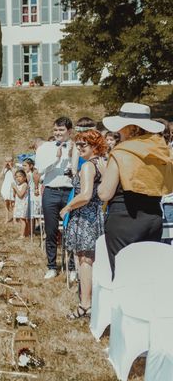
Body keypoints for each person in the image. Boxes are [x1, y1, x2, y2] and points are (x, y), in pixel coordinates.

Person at [98, 103, 173, 277]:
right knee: (146, 274)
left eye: (121, 127)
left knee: (123, 274)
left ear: (131, 129)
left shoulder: (121, 152)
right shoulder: (159, 151)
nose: (118, 132)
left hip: (125, 218)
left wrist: (104, 175)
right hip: (153, 218)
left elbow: (105, 193)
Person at [60, 129, 107, 319]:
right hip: (98, 214)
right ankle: (94, 302)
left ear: (95, 146)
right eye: (77, 144)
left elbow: (86, 195)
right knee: (94, 260)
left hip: (85, 217)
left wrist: (68, 207)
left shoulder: (88, 166)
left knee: (85, 260)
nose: (79, 148)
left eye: (83, 145)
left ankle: (85, 305)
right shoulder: (103, 163)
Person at [35, 116, 74, 279]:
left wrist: (72, 156)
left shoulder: (75, 146)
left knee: (71, 230)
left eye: (61, 130)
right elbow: (40, 170)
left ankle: (72, 266)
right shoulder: (45, 148)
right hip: (50, 191)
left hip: (70, 192)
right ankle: (52, 266)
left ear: (69, 131)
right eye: (55, 130)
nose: (58, 133)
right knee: (51, 231)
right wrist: (56, 159)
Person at [12, 169, 30, 238]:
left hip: (23, 204)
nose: (18, 178)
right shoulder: (18, 185)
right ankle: (26, 233)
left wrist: (15, 187)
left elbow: (21, 195)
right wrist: (14, 189)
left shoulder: (25, 185)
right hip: (18, 204)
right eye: (16, 177)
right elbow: (15, 195)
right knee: (21, 219)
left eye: (20, 176)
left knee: (23, 219)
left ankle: (22, 235)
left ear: (24, 178)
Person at [0, 156, 15, 223]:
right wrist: (3, 167)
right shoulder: (5, 169)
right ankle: (7, 218)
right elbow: (0, 176)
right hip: (6, 186)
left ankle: (14, 218)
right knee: (6, 203)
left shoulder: (14, 168)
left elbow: (15, 175)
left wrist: (11, 167)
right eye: (6, 161)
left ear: (12, 162)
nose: (8, 163)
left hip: (12, 187)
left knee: (13, 203)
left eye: (9, 161)